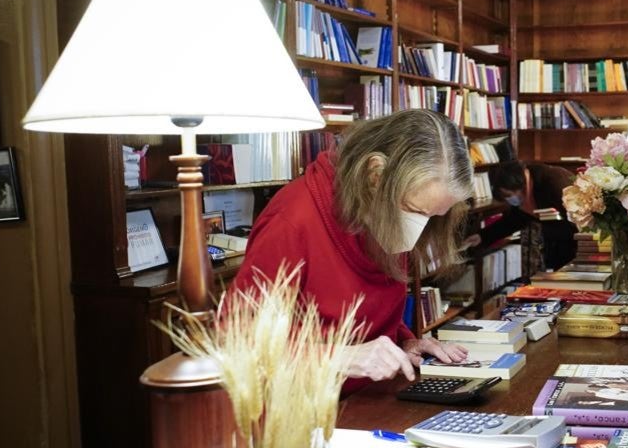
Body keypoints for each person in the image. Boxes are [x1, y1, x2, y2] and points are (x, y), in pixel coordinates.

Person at [231, 109, 471, 390]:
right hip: (298, 407)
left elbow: (368, 318)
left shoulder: (383, 208)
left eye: (432, 216)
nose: (418, 228)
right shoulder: (292, 221)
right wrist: (340, 357)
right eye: (415, 211)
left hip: (365, 399)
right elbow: (238, 343)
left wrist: (404, 343)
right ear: (374, 175)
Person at [468, 160, 578, 271]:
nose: (509, 199)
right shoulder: (524, 192)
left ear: (520, 185)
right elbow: (513, 220)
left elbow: (575, 226)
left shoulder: (553, 183)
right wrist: (482, 236)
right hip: (558, 247)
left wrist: (543, 231)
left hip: (579, 246)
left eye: (508, 195)